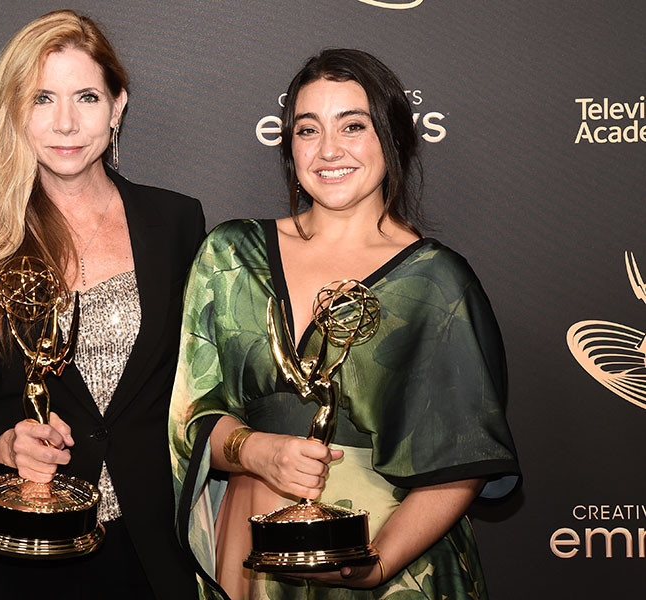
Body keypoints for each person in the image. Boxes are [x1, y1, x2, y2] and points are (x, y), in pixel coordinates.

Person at [169, 49, 520, 600]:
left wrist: (374, 565)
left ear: (393, 138)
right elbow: (190, 416)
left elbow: (461, 462)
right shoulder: (231, 255)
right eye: (308, 130)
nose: (329, 150)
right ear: (290, 146)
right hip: (254, 556)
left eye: (353, 126)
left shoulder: (438, 282)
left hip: (395, 564)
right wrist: (257, 451)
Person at [0, 10, 203, 599]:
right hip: (17, 556)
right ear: (15, 112)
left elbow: (201, 388)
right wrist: (1, 445)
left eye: (86, 96)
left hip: (149, 555)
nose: (65, 122)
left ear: (117, 107)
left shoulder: (177, 222)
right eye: (42, 98)